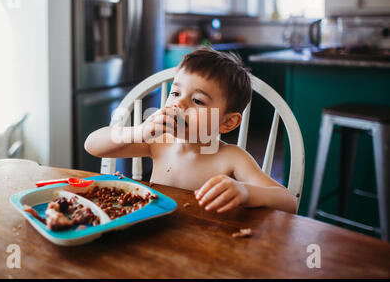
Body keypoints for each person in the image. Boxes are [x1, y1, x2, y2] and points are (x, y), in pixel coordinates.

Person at [85, 47, 297, 214]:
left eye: (197, 100)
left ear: (228, 122)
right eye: (175, 93)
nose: (179, 104)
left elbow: (288, 202)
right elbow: (92, 145)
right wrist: (137, 132)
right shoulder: (160, 143)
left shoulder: (231, 158)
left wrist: (246, 192)